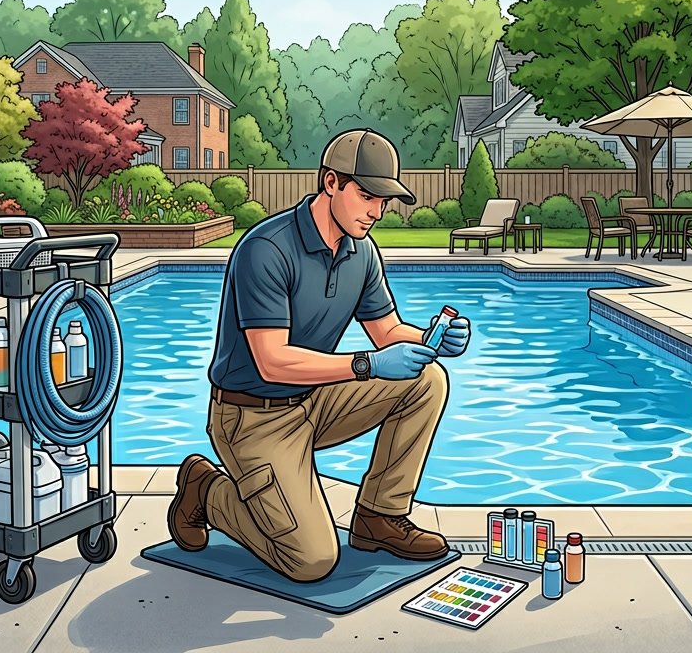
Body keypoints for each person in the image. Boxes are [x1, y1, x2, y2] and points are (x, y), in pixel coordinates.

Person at [167, 129, 472, 583]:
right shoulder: (266, 249)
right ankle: (205, 489)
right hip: (251, 418)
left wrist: (429, 341)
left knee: (426, 381)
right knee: (311, 561)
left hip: (314, 399)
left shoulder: (361, 252)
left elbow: (386, 330)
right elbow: (271, 361)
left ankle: (378, 517)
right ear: (331, 183)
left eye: (384, 201)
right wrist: (366, 364)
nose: (376, 211)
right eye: (367, 195)